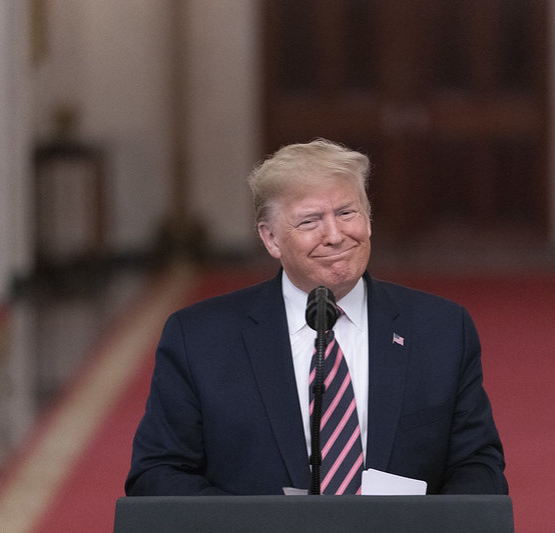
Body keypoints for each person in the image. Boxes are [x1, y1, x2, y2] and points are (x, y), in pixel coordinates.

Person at [125, 138, 507, 496]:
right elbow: (157, 473)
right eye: (310, 221)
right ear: (271, 238)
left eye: (347, 213)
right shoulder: (200, 338)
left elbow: (477, 466)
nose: (335, 235)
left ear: (368, 220)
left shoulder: (440, 329)